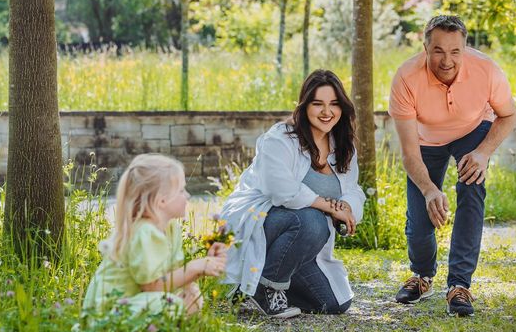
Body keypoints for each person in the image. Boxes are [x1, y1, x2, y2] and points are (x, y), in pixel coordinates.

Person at [389, 15, 516, 317]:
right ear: (425, 48)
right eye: (438, 51)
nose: (447, 60)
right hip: (426, 139)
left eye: (455, 51)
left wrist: (484, 152)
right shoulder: (406, 77)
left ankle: (459, 285)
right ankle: (422, 276)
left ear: (465, 48)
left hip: (472, 131)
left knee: (472, 189)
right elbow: (409, 153)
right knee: (420, 211)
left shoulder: (486, 70)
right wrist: (430, 190)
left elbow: (509, 115)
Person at [221, 69, 365, 318]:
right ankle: (264, 288)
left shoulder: (343, 146)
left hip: (299, 243)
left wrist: (347, 208)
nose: (326, 112)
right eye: (317, 103)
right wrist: (328, 206)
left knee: (333, 304)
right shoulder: (280, 138)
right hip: (264, 225)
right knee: (311, 220)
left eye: (333, 104)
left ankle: (256, 286)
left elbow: (353, 189)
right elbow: (281, 192)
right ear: (304, 106)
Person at [83, 154, 228, 319]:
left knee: (191, 294)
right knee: (170, 303)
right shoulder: (145, 232)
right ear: (162, 201)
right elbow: (151, 287)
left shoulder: (171, 228)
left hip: (135, 303)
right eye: (181, 190)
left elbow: (172, 275)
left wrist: (205, 266)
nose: (187, 196)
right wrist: (196, 267)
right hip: (111, 311)